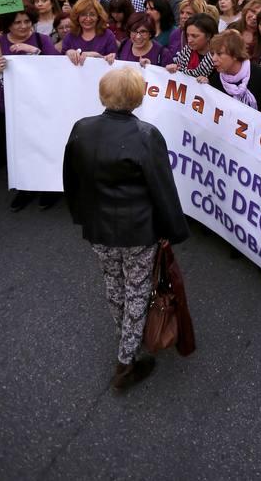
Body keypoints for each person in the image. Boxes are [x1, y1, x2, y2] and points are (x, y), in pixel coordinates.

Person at [63, 67, 189, 391]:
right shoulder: (146, 135)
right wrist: (172, 229)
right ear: (137, 96)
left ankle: (125, 340)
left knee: (113, 284)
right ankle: (126, 360)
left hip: (98, 228)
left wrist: (81, 216)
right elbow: (162, 188)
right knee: (135, 289)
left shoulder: (81, 128)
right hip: (137, 230)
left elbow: (71, 180)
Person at [0, 7, 59, 209]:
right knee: (18, 151)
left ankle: (49, 188)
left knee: (42, 147)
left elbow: (58, 70)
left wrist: (35, 52)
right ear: (8, 25)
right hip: (7, 108)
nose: (23, 26)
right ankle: (25, 188)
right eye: (17, 22)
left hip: (38, 107)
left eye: (26, 21)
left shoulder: (42, 40)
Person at [206, 29, 261, 114]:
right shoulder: (214, 78)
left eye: (219, 54)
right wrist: (205, 85)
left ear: (235, 54)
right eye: (212, 54)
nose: (214, 59)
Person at [61, 0, 118, 65]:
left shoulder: (108, 35)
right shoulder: (70, 36)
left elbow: (115, 62)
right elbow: (61, 63)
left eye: (92, 14)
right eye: (83, 15)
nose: (88, 19)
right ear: (77, 17)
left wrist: (98, 56)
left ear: (98, 17)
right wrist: (68, 52)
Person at [167, 13, 218, 77]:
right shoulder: (186, 51)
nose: (189, 40)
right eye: (188, 35)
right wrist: (172, 68)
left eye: (194, 36)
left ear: (208, 36)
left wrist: (209, 82)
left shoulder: (218, 59)